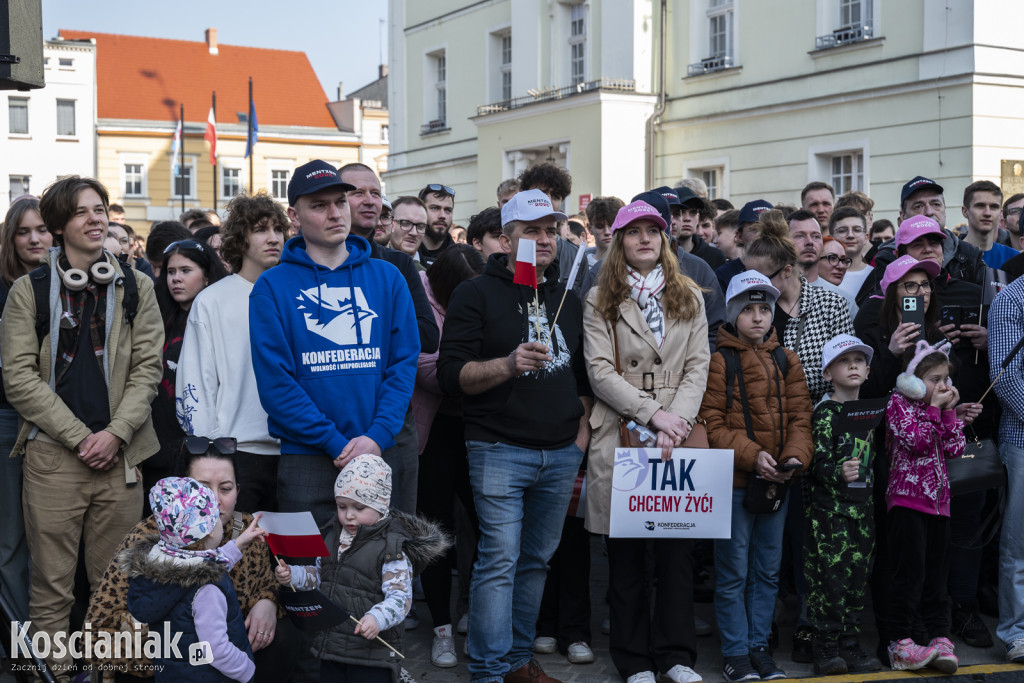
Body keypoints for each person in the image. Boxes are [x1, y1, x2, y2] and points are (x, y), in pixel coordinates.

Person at [0, 176, 164, 682]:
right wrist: (79, 436)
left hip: (121, 458)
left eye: (100, 209)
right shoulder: (29, 292)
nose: (96, 219)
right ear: (57, 227)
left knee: (118, 586)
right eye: (81, 212)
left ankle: (111, 676)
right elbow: (18, 378)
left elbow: (147, 370)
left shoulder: (137, 286)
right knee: (50, 590)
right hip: (53, 459)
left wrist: (114, 433)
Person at [436, 188, 591, 683]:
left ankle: (518, 662)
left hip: (561, 453)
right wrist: (507, 364)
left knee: (536, 563)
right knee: (498, 562)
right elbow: (450, 376)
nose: (544, 240)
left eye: (551, 230)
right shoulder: (476, 293)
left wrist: (578, 444)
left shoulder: (566, 296)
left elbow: (584, 382)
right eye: (531, 231)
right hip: (499, 449)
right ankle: (486, 670)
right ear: (506, 239)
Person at [249, 160, 419, 529]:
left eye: (340, 202)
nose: (335, 213)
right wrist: (334, 442)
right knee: (304, 576)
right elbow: (276, 384)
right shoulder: (272, 287)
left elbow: (403, 366)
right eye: (319, 205)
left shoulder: (388, 277)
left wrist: (376, 437)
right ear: (294, 215)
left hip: (378, 450)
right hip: (306, 459)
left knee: (379, 575)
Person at [583, 200, 709, 683]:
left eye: (652, 231)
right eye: (633, 232)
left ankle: (676, 656)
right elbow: (598, 371)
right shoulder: (600, 298)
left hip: (676, 432)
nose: (644, 239)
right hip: (624, 429)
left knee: (677, 551)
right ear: (618, 241)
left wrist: (675, 420)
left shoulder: (690, 296)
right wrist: (652, 413)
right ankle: (634, 660)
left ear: (664, 239)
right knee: (629, 554)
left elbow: (699, 364)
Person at [86, 438, 297, 681]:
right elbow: (97, 633)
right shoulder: (148, 538)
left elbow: (263, 583)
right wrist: (179, 651)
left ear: (238, 490)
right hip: (163, 666)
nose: (215, 500)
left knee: (285, 636)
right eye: (202, 489)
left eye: (225, 488)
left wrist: (267, 602)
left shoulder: (247, 529)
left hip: (226, 660)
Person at [699, 271, 813, 683]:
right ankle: (735, 653)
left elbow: (802, 416)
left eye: (765, 308)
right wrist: (754, 456)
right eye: (748, 309)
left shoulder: (787, 359)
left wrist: (794, 457)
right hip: (735, 484)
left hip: (777, 483)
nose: (759, 317)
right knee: (733, 573)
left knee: (767, 571)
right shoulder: (720, 361)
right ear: (732, 316)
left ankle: (759, 647)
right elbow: (710, 423)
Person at [274, 455, 448, 682]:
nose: (349, 515)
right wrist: (293, 576)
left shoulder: (392, 548)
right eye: (342, 506)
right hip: (331, 647)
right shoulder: (331, 537)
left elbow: (401, 598)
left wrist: (377, 618)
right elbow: (318, 577)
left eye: (359, 507)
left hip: (372, 654)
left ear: (381, 504)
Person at [339, 162, 440, 515]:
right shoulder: (308, 266)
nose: (370, 202)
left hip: (391, 415)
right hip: (333, 419)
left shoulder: (398, 264)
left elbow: (427, 337)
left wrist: (366, 326)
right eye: (357, 192)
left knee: (394, 529)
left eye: (376, 194)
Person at [177, 192, 288, 514]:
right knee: (237, 557)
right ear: (240, 239)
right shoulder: (213, 301)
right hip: (238, 452)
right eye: (260, 229)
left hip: (298, 453)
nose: (273, 238)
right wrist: (212, 453)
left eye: (278, 229)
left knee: (292, 557)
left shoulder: (296, 295)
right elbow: (196, 380)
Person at [412, 244, 485, 668]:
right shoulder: (419, 296)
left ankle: (476, 612)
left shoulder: (475, 291)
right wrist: (479, 367)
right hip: (434, 429)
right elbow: (427, 369)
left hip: (477, 427)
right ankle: (440, 625)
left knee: (487, 523)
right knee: (434, 531)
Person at [125, 476, 265, 682]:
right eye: (216, 518)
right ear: (208, 533)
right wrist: (246, 669)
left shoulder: (165, 563)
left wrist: (239, 544)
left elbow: (206, 563)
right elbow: (216, 649)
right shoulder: (208, 589)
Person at [884, 341, 966, 673]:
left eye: (946, 379)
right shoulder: (898, 403)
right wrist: (933, 409)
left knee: (937, 575)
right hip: (907, 500)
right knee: (908, 573)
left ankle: (938, 636)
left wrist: (949, 413)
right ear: (914, 380)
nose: (943, 386)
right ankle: (900, 641)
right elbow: (915, 441)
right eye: (935, 378)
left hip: (938, 503)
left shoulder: (940, 406)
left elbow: (956, 447)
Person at [805, 335, 880, 675]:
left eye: (859, 360)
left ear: (867, 371)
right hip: (831, 514)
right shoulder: (824, 414)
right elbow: (815, 465)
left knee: (857, 580)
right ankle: (826, 647)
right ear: (827, 373)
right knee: (830, 582)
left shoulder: (871, 413)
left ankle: (851, 642)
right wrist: (838, 471)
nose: (853, 365)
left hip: (863, 512)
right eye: (843, 360)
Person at [0, 196, 52, 641]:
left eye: (41, 228)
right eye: (23, 231)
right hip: (8, 421)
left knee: (52, 543)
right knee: (13, 542)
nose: (34, 238)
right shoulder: (3, 289)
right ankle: (22, 651)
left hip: (65, 428)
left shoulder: (74, 284)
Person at [743, 211, 854, 403]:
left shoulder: (832, 305)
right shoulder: (753, 308)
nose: (755, 286)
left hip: (818, 417)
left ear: (786, 271)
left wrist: (783, 376)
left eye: (762, 280)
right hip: (764, 418)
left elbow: (848, 371)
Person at [147, 240, 228, 495]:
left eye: (186, 270)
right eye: (171, 272)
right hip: (158, 447)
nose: (176, 279)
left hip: (204, 447)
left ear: (206, 277)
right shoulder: (158, 318)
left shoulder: (219, 319)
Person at [989, 272, 1024, 664]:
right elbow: (1005, 375)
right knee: (1020, 543)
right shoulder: (1011, 300)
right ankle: (1016, 632)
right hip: (1022, 436)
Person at [961, 180, 1017, 269]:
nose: (987, 213)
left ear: (1000, 213)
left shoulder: (1014, 258)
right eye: (980, 206)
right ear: (965, 211)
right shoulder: (950, 256)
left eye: (994, 207)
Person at [417, 183, 456, 266]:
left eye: (448, 210)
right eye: (435, 208)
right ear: (420, 211)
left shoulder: (462, 259)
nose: (442, 215)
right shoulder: (406, 254)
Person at [388, 196, 429, 264]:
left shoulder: (434, 271)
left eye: (421, 226)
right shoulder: (375, 265)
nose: (414, 233)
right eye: (406, 224)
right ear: (391, 223)